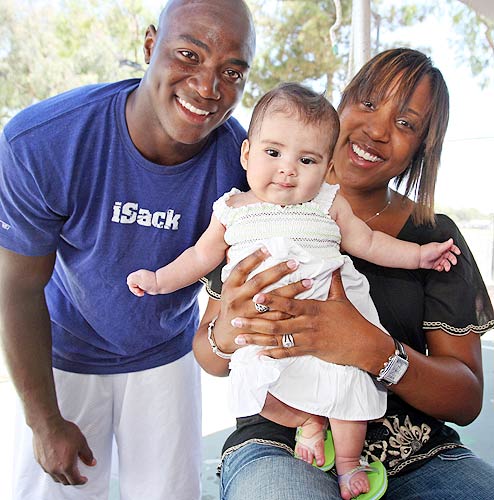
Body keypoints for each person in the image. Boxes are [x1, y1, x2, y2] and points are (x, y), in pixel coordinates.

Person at [127, 82, 459, 499]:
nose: (288, 169)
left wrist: (418, 255)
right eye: (273, 153)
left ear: (325, 168)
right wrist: (158, 280)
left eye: (306, 159)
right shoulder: (231, 210)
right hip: (265, 326)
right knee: (253, 386)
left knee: (348, 388)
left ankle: (348, 464)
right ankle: (306, 421)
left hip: (335, 319)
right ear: (246, 153)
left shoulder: (327, 204)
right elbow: (198, 256)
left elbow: (369, 243)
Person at [192, 48, 494, 500]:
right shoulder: (258, 210)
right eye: (369, 103)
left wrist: (375, 350)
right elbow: (210, 357)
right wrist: (229, 330)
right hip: (282, 440)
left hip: (417, 453)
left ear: (422, 147)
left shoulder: (431, 239)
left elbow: (466, 400)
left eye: (406, 123)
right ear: (342, 104)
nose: (377, 129)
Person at [0, 1, 255, 499]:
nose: (207, 88)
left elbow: (230, 296)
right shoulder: (43, 142)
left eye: (231, 71)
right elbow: (16, 287)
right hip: (63, 350)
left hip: (165, 353)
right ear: (148, 45)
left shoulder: (243, 167)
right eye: (188, 54)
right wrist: (44, 421)